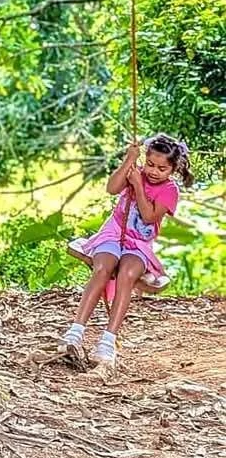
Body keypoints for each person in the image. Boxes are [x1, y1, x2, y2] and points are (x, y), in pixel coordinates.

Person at [58, 134, 193, 368]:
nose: (154, 171)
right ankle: (75, 331)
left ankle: (108, 341)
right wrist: (128, 160)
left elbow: (150, 216)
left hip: (139, 244)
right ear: (145, 159)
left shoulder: (170, 190)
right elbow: (112, 188)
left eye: (162, 168)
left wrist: (139, 187)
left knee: (127, 275)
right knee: (102, 268)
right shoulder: (135, 172)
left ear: (173, 169)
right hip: (113, 234)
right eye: (150, 164)